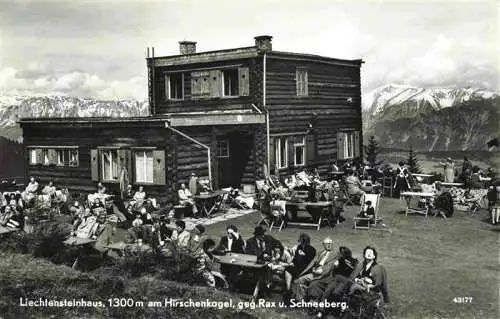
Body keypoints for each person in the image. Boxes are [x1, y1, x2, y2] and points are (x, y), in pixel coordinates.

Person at [317, 246, 389, 319]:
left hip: (368, 289)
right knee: (336, 285)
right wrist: (358, 280)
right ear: (364, 255)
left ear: (374, 256)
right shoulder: (361, 265)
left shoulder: (379, 267)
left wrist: (386, 299)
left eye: (371, 253)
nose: (369, 254)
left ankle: (325, 310)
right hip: (356, 286)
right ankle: (325, 309)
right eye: (367, 253)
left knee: (338, 281)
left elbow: (380, 284)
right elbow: (352, 277)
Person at [290, 237, 337, 301]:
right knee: (300, 280)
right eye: (327, 244)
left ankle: (306, 299)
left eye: (330, 244)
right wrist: (308, 270)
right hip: (314, 273)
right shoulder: (321, 252)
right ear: (323, 244)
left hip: (324, 275)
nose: (328, 245)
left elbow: (329, 266)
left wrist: (319, 271)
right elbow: (313, 262)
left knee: (312, 283)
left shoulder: (334, 254)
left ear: (332, 244)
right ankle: (300, 300)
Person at [284, 233, 317, 299]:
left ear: (304, 241)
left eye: (300, 240)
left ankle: (291, 293)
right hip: (297, 266)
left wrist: (303, 255)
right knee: (288, 269)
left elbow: (309, 261)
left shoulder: (312, 250)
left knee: (291, 271)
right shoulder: (299, 247)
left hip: (305, 268)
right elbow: (295, 258)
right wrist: (292, 262)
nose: (299, 242)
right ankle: (288, 290)